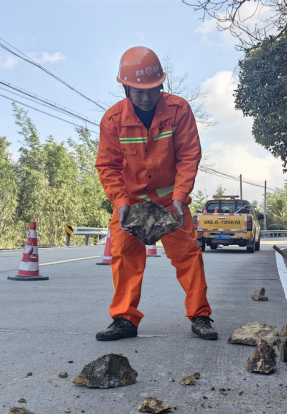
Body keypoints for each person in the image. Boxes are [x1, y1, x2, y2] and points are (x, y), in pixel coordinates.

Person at [95, 46, 217, 341]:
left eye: (152, 89)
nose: (146, 97)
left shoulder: (179, 110)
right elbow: (108, 166)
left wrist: (179, 196)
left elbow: (189, 155)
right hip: (131, 203)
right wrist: (121, 202)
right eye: (138, 91)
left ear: (161, 84)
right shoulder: (112, 120)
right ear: (125, 88)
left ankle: (200, 315)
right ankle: (125, 318)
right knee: (124, 256)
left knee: (188, 255)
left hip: (169, 202)